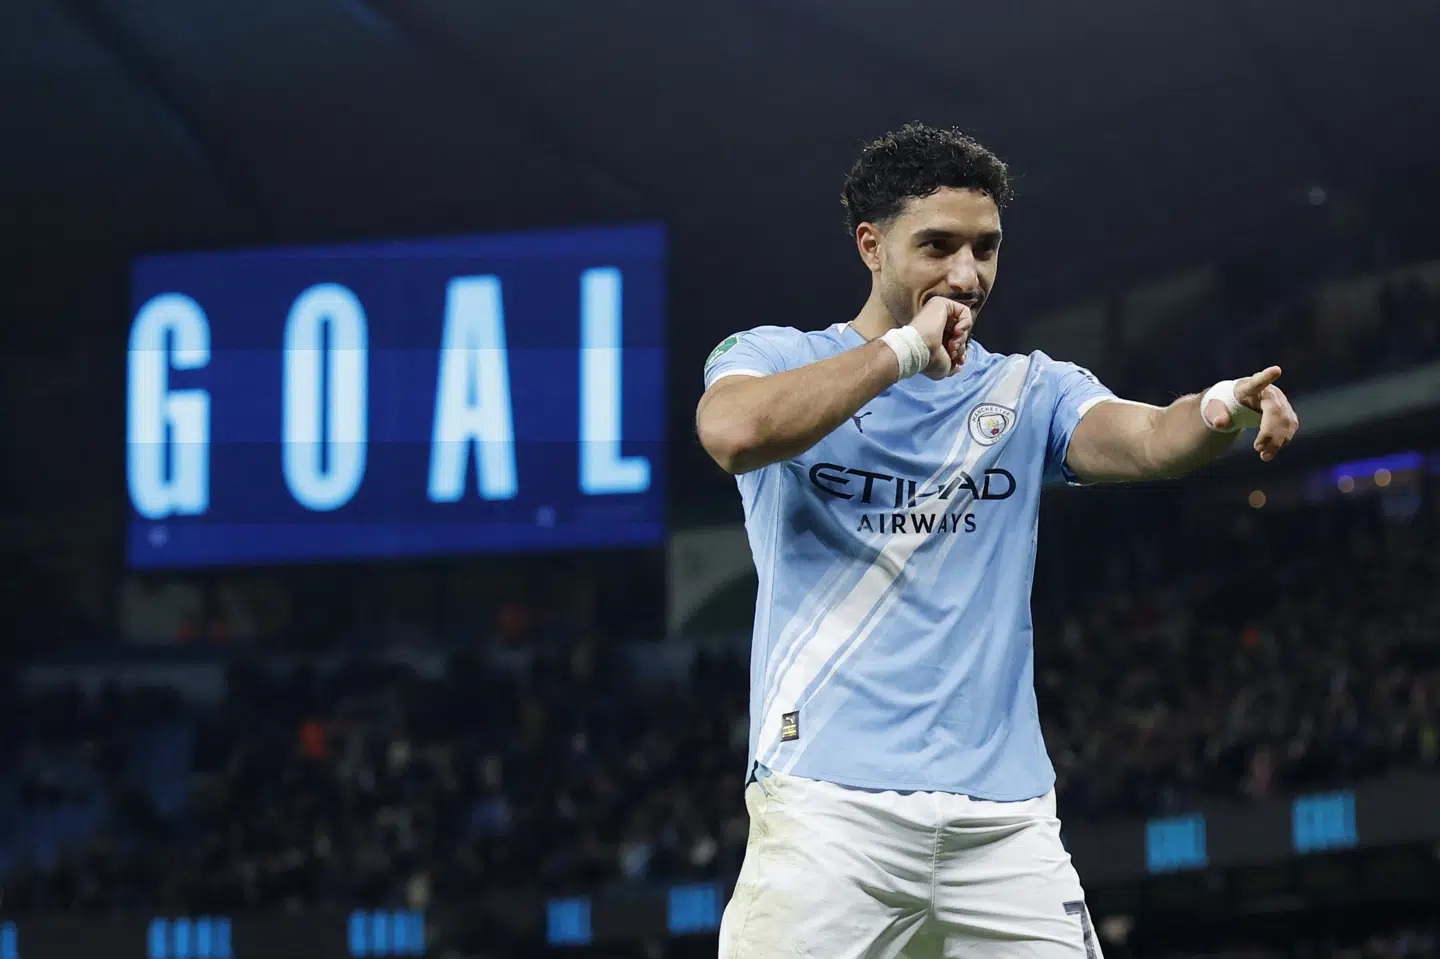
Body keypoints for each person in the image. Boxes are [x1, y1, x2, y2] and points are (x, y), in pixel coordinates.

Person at [695, 122, 1299, 958]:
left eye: (986, 248)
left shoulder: (1027, 387)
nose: (967, 275)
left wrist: (1219, 407)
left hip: (1005, 825)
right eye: (937, 246)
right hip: (829, 812)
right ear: (871, 245)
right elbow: (733, 432)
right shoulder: (775, 355)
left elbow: (1149, 438)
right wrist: (904, 352)